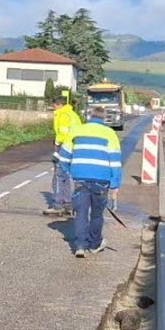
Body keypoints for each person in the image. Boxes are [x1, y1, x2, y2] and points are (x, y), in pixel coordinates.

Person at [56, 113, 122, 258]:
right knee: (97, 214)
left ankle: (80, 245)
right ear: (102, 120)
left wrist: (70, 172)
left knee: (81, 213)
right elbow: (115, 162)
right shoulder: (109, 133)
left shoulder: (76, 131)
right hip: (102, 180)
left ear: (89, 119)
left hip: (80, 178)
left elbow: (63, 157)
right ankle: (94, 244)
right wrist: (115, 184)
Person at [44, 95, 82, 217]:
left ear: (59, 105)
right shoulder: (73, 114)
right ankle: (67, 203)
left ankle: (57, 204)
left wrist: (57, 143)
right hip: (73, 147)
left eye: (54, 106)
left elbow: (63, 132)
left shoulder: (63, 114)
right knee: (66, 174)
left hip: (64, 146)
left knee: (58, 175)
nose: (53, 108)